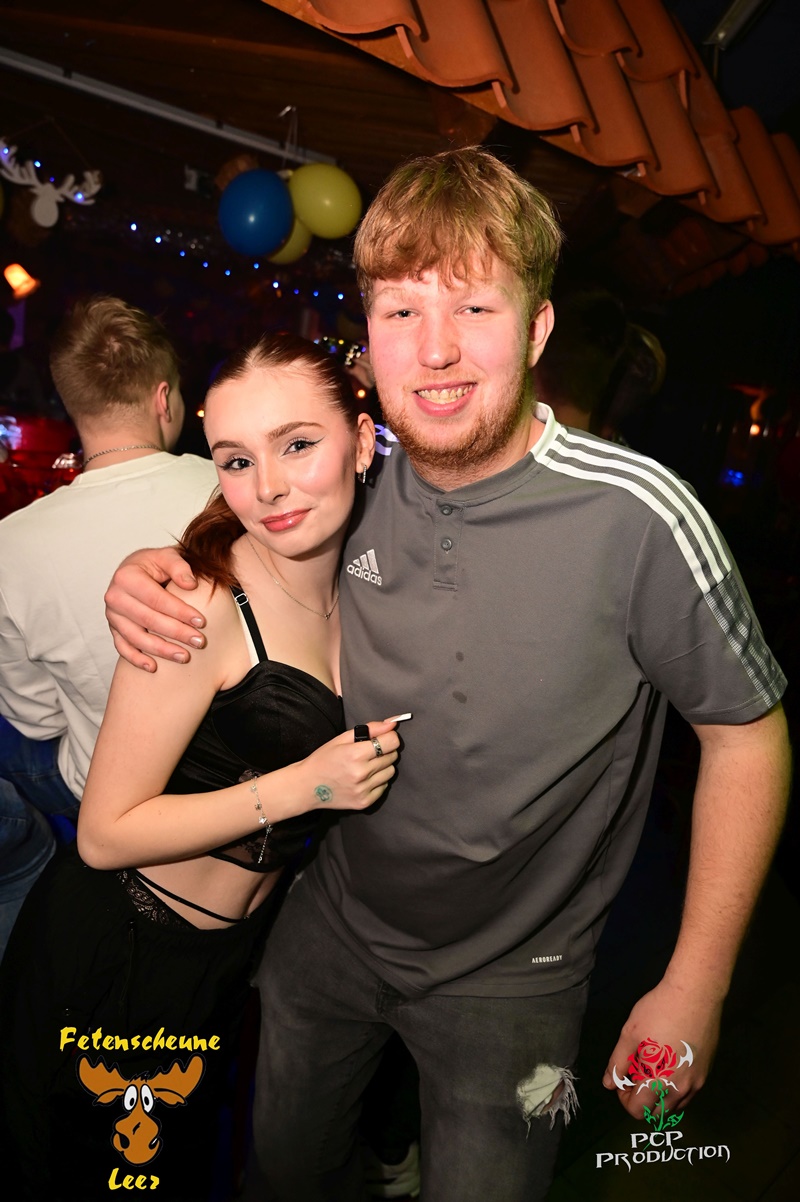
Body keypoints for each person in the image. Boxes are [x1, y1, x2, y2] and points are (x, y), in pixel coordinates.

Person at [104, 149, 791, 1202]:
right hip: (331, 925)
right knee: (283, 1170)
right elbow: (250, 505)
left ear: (537, 329)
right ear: (367, 335)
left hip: (516, 980)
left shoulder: (640, 517)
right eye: (401, 311)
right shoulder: (357, 478)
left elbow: (745, 732)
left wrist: (694, 982)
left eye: (473, 306)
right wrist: (154, 566)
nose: (434, 351)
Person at [0, 332, 401, 1202]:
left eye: (298, 444)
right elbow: (105, 834)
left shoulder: (365, 578)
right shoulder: (197, 602)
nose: (270, 487)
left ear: (363, 442)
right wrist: (306, 787)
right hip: (124, 954)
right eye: (236, 460)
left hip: (227, 962)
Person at [0, 295, 219, 958]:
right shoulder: (232, 490)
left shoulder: (9, 544)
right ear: (163, 398)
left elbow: (38, 720)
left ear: (74, 406)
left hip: (98, 791)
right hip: (231, 779)